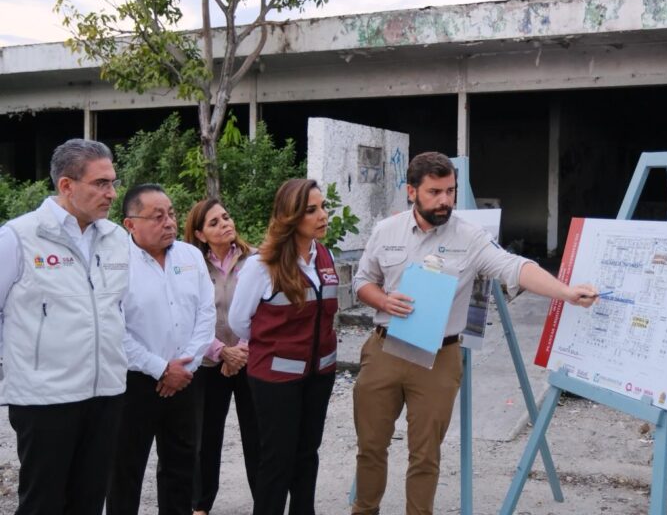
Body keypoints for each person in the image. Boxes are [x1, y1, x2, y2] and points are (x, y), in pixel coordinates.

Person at [351, 152, 598, 515]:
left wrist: (565, 291)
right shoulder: (386, 231)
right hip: (385, 350)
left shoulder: (469, 237)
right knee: (371, 446)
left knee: (425, 455)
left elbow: (514, 267)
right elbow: (362, 281)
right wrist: (384, 300)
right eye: (435, 192)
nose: (445, 200)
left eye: (450, 191)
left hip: (438, 359)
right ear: (411, 191)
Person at [0, 139, 128, 515]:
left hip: (106, 393)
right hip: (45, 398)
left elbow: (122, 309)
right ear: (67, 186)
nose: (111, 193)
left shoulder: (116, 238)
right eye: (101, 183)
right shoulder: (20, 237)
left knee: (89, 501)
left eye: (113, 182)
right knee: (43, 503)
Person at [229, 178, 339, 515]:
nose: (323, 215)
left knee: (307, 455)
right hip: (275, 380)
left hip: (320, 374)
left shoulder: (325, 255)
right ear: (290, 216)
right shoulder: (262, 264)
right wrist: (275, 344)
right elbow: (239, 322)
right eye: (311, 210)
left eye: (323, 207)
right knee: (277, 459)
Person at [107, 184, 215, 515]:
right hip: (135, 382)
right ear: (130, 224)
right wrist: (160, 368)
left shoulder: (191, 256)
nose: (169, 222)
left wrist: (185, 367)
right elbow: (114, 328)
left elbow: (206, 314)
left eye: (171, 213)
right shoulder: (115, 263)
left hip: (185, 379)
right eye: (157, 217)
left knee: (181, 467)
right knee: (125, 469)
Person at [184, 199, 259, 515]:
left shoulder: (255, 259)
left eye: (226, 217)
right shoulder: (191, 266)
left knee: (257, 434)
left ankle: (265, 502)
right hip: (209, 361)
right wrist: (221, 351)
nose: (225, 224)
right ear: (200, 234)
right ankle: (200, 505)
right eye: (214, 222)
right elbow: (189, 316)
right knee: (205, 436)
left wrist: (241, 349)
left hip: (250, 359)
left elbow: (264, 308)